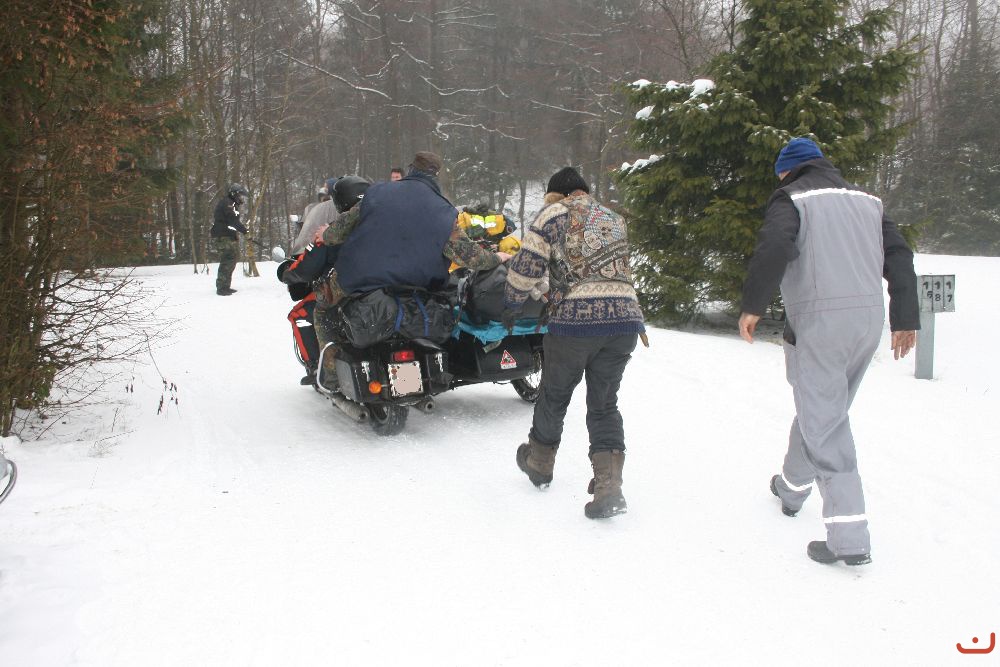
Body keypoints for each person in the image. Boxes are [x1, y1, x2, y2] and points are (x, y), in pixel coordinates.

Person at [738, 137, 919, 566]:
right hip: (867, 323)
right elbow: (899, 254)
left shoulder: (793, 198)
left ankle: (848, 538)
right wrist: (906, 316)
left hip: (821, 324)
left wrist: (753, 304)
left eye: (780, 174)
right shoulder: (868, 202)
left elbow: (775, 245)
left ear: (788, 170)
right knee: (823, 410)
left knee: (827, 423)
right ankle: (791, 488)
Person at [503, 167, 646, 519]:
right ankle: (609, 489)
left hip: (575, 323)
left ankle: (539, 463)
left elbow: (525, 270)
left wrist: (511, 304)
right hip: (624, 321)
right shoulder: (614, 217)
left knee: (554, 394)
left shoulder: (553, 214)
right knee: (604, 404)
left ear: (555, 195)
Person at [316, 152, 508, 306]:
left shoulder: (377, 192)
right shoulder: (444, 212)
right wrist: (496, 258)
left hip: (360, 281)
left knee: (323, 308)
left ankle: (329, 345)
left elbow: (340, 230)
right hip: (417, 291)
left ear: (410, 170)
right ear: (436, 177)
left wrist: (325, 234)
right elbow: (470, 256)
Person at [280, 176, 371, 386]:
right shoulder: (380, 228)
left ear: (340, 202)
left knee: (306, 313)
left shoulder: (331, 232)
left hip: (347, 290)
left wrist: (287, 273)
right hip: (383, 289)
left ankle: (324, 371)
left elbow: (306, 268)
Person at [210, 183, 249, 296]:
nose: (241, 198)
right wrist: (245, 231)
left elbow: (232, 222)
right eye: (240, 196)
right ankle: (221, 288)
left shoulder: (231, 203)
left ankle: (225, 286)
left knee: (231, 260)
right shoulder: (228, 203)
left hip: (227, 235)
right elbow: (233, 221)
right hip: (223, 236)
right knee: (227, 259)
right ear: (234, 194)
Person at [292, 178, 339, 255]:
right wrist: (303, 226)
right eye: (322, 198)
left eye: (326, 198)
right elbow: (309, 229)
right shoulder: (315, 211)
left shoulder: (338, 212)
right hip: (314, 246)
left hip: (328, 249)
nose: (324, 202)